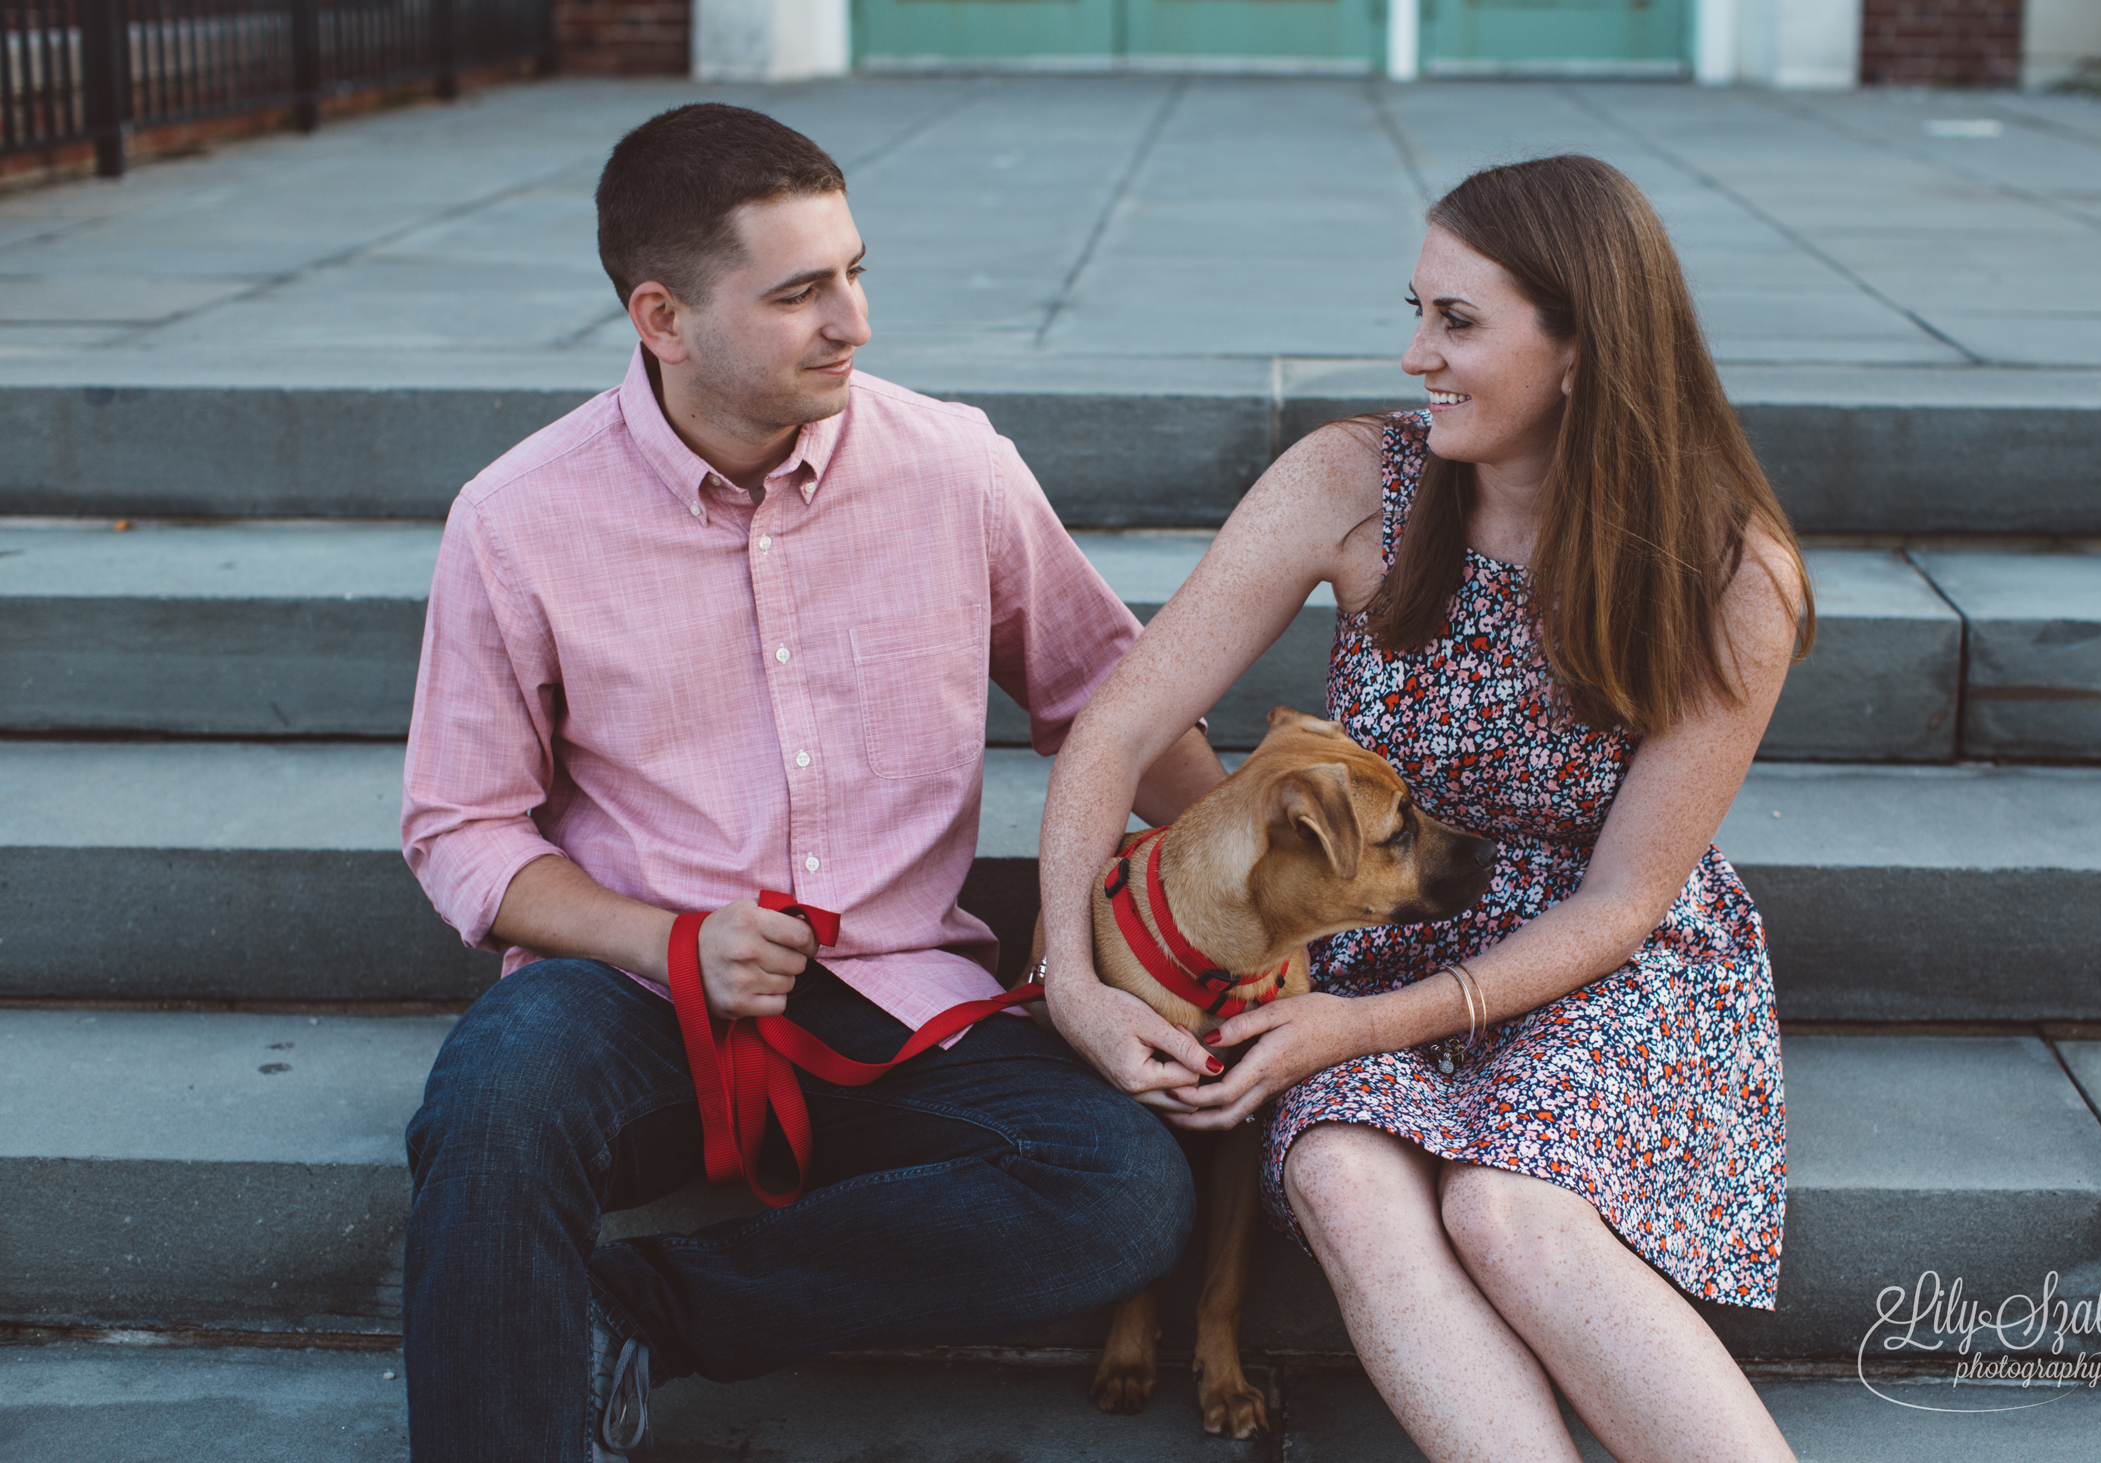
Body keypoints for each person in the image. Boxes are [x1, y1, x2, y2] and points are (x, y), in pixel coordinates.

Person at [398, 103, 1223, 1463]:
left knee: (1116, 1195)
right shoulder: (518, 516)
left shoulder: (953, 465)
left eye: (854, 272)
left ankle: (620, 1313)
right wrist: (664, 942)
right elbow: (460, 828)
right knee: (493, 1111)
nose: (853, 322)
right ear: (663, 318)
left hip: (903, 1000)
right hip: (629, 998)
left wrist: (1265, 889)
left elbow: (1107, 702)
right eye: (798, 293)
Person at [1036, 154, 1813, 1462]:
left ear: (1581, 347)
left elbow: (1626, 899)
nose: (1413, 357)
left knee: (1510, 1217)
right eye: (1416, 311)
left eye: (1455, 322)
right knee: (1343, 1177)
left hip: (1602, 965)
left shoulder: (1730, 572)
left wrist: (1361, 1026)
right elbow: (1115, 725)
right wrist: (1070, 972)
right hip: (1368, 925)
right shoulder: (1355, 484)